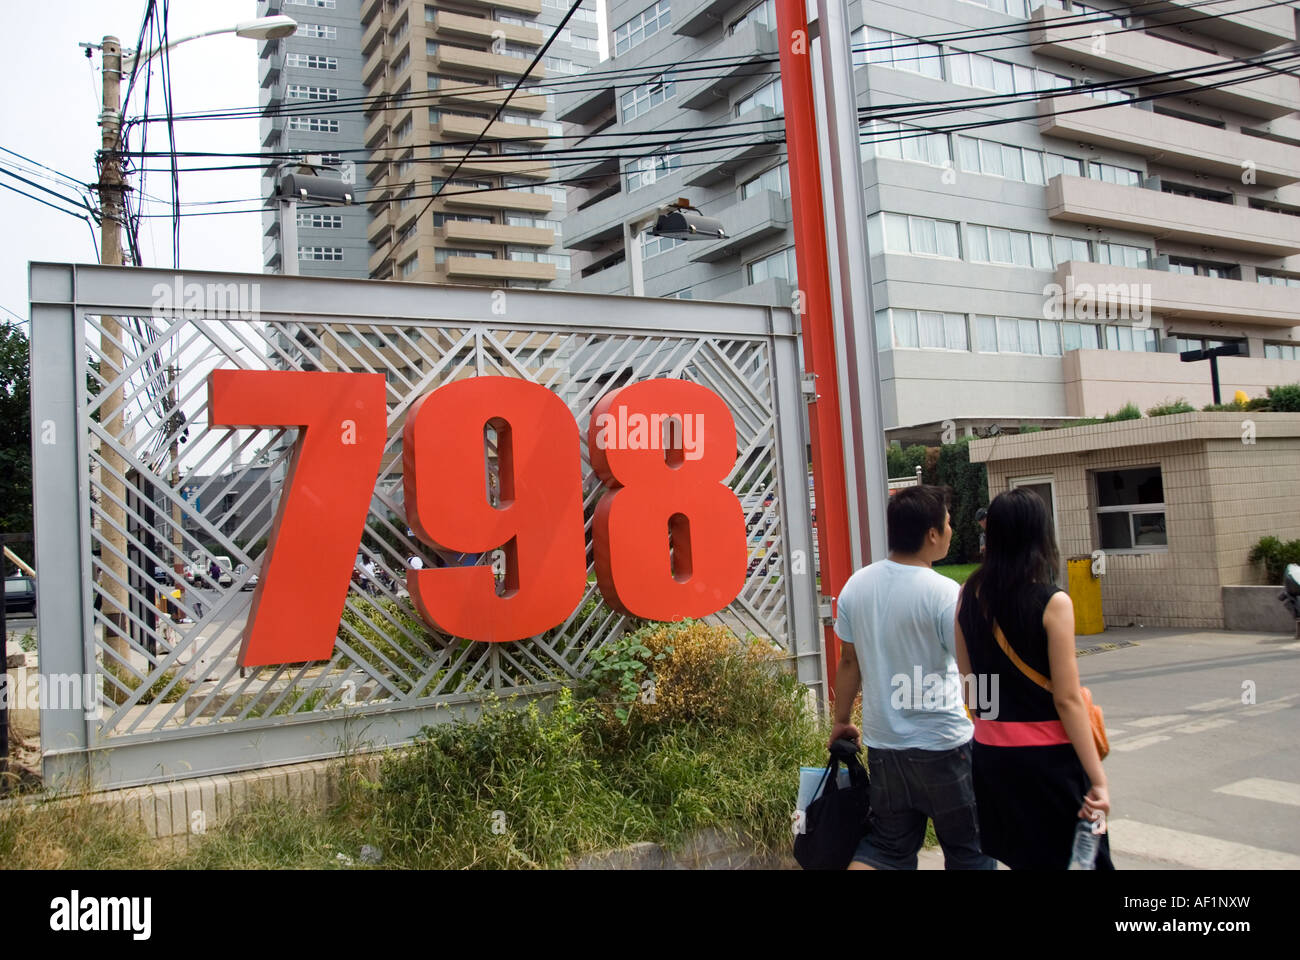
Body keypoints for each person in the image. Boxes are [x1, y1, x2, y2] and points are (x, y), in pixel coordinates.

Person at [829, 484, 995, 870]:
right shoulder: (944, 593)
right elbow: (973, 672)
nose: (952, 530)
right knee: (971, 851)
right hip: (944, 746)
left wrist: (841, 721)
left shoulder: (857, 585)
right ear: (932, 534)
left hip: (886, 747)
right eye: (949, 523)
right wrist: (994, 722)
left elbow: (849, 661)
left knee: (886, 848)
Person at [954, 487, 1112, 870]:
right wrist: (1099, 780)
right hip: (1049, 764)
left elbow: (970, 683)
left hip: (992, 760)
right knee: (1079, 862)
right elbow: (1067, 699)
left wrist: (997, 731)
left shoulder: (967, 595)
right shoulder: (1053, 602)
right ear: (1040, 536)